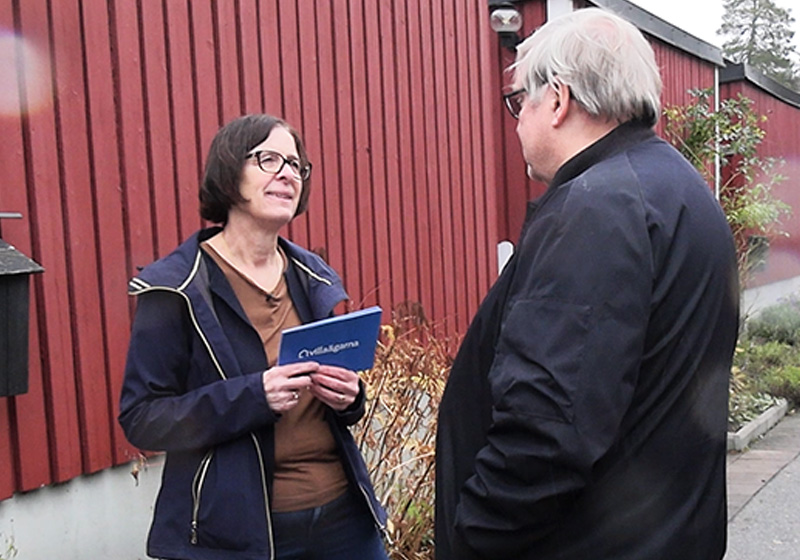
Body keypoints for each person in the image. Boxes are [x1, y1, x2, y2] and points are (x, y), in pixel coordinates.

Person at [436, 8, 739, 560]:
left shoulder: (596, 208)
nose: (517, 122)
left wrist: (473, 539)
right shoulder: (682, 190)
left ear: (557, 99)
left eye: (519, 102)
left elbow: (545, 432)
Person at [119, 114, 389, 560]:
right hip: (238, 534)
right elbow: (143, 417)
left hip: (345, 522)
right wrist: (253, 396)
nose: (287, 173)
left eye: (295, 165)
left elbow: (332, 397)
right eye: (268, 159)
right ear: (229, 171)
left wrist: (350, 398)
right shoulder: (176, 288)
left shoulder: (312, 276)